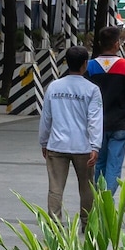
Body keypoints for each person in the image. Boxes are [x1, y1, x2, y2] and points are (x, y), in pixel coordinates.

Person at [41, 46, 103, 223]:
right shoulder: (92, 89)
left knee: (55, 187)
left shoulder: (54, 87)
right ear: (85, 64)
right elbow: (95, 120)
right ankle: (87, 221)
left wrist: (44, 142)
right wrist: (95, 146)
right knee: (87, 186)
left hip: (57, 145)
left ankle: (54, 223)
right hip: (83, 147)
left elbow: (46, 117)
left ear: (66, 63)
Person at [85, 27, 125, 193]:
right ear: (117, 44)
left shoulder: (90, 67)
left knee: (100, 163)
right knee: (114, 165)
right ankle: (107, 200)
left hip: (96, 125)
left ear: (99, 44)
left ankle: (98, 197)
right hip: (120, 123)